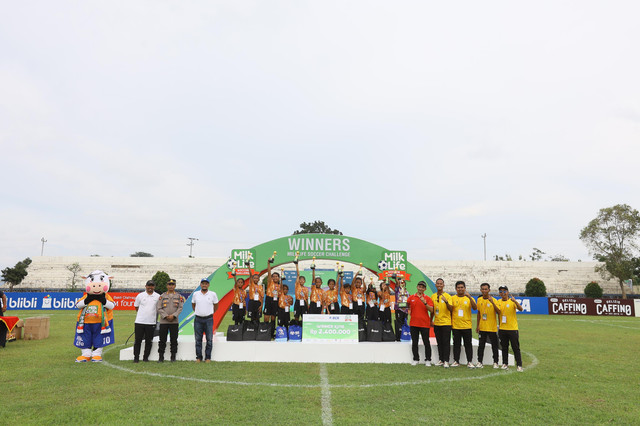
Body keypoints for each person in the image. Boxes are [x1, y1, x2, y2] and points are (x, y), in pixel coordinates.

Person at [496, 286, 524, 372]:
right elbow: (498, 312)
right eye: (501, 291)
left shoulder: (512, 301)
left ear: (508, 292)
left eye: (504, 291)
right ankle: (505, 363)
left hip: (512, 329)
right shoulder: (498, 301)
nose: (503, 293)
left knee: (515, 347)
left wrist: (515, 301)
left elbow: (521, 309)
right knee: (504, 347)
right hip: (502, 328)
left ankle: (519, 365)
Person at [451, 280, 477, 368]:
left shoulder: (469, 298)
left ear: (465, 288)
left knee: (468, 344)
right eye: (458, 288)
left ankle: (469, 361)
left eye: (462, 287)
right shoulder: (452, 298)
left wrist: (469, 297)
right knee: (456, 344)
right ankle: (456, 361)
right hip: (456, 326)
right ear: (456, 289)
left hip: (466, 326)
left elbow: (475, 307)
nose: (460, 289)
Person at [156, 278, 184, 362]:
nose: (171, 286)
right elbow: (159, 307)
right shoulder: (162, 296)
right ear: (167, 286)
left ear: (175, 286)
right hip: (164, 321)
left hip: (174, 322)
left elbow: (180, 307)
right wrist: (166, 316)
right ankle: (161, 357)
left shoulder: (179, 296)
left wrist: (174, 316)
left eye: (172, 285)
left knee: (174, 340)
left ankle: (173, 357)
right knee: (162, 340)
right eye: (169, 284)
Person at [407, 281, 434, 366]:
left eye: (422, 287)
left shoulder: (428, 298)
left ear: (425, 289)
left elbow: (431, 310)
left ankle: (428, 359)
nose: (421, 288)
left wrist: (425, 302)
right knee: (414, 342)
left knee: (426, 342)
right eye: (419, 286)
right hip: (414, 323)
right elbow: (407, 306)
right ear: (417, 287)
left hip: (424, 323)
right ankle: (415, 359)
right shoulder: (411, 297)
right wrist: (408, 310)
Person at [192, 278, 219, 363]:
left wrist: (210, 312)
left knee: (209, 339)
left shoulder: (213, 294)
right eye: (203, 283)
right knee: (198, 339)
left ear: (208, 285)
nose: (204, 285)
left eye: (206, 283)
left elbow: (216, 306)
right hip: (198, 319)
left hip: (209, 319)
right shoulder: (196, 294)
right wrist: (199, 312)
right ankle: (199, 357)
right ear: (200, 285)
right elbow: (193, 305)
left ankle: (208, 357)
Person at [133, 280, 160, 363]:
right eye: (149, 286)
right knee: (138, 341)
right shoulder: (140, 295)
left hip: (151, 322)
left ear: (154, 287)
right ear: (146, 286)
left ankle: (145, 358)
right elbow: (136, 307)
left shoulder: (157, 296)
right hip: (139, 322)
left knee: (149, 341)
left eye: (152, 286)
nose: (150, 287)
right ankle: (136, 358)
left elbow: (158, 309)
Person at [475, 283, 501, 369]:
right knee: (481, 345)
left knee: (494, 346)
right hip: (482, 327)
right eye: (483, 289)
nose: (484, 291)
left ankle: (496, 362)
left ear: (489, 290)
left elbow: (498, 312)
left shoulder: (494, 300)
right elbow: (478, 313)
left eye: (486, 289)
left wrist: (492, 303)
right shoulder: (479, 300)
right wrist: (477, 325)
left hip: (492, 327)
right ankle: (479, 362)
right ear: (481, 290)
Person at [430, 278, 453, 368]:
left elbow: (451, 309)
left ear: (443, 285)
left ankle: (446, 361)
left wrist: (446, 301)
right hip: (437, 323)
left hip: (446, 323)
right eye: (438, 283)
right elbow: (432, 310)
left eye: (441, 284)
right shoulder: (433, 296)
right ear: (435, 285)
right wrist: (430, 319)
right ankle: (441, 360)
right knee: (439, 342)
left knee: (446, 342)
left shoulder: (447, 296)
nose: (439, 285)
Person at [264, 258, 281, 334]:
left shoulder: (280, 286)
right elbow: (269, 272)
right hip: (269, 299)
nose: (274, 278)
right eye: (273, 276)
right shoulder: (270, 283)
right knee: (266, 317)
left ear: (279, 278)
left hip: (275, 301)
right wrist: (268, 264)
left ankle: (271, 333)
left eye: (276, 276)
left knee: (273, 318)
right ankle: (265, 332)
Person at [393, 277, 410, 341]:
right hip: (398, 309)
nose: (402, 284)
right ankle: (398, 337)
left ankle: (404, 335)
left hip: (405, 310)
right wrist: (397, 279)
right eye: (401, 283)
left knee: (404, 323)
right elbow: (397, 283)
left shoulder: (407, 292)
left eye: (403, 283)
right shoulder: (397, 290)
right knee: (398, 323)